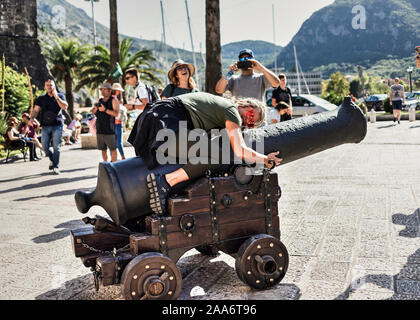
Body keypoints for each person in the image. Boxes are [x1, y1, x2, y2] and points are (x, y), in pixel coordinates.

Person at [128, 92, 282, 215]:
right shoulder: (231, 110)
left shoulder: (219, 111)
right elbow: (240, 150)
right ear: (244, 104)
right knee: (216, 156)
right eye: (249, 113)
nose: (246, 119)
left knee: (207, 152)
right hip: (167, 120)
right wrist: (265, 158)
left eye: (250, 122)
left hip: (158, 117)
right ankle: (165, 181)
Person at [30, 79, 68, 175]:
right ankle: (52, 159)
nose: (49, 87)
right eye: (47, 85)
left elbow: (65, 107)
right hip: (45, 125)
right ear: (45, 87)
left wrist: (56, 97)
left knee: (56, 147)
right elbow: (36, 110)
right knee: (45, 147)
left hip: (57, 125)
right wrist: (31, 119)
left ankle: (56, 167)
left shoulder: (60, 96)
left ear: (54, 86)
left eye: (51, 85)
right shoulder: (41, 98)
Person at [215, 49, 280, 102]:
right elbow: (219, 90)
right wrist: (229, 72)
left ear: (253, 60)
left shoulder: (261, 77)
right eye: (242, 59)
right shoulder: (233, 79)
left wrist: (260, 67)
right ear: (239, 61)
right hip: (240, 115)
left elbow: (276, 83)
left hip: (257, 115)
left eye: (248, 58)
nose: (245, 61)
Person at [91, 83, 119, 162]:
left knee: (113, 149)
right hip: (100, 129)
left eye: (104, 89)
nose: (102, 91)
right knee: (103, 150)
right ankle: (106, 167)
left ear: (110, 91)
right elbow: (92, 112)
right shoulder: (100, 100)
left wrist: (105, 110)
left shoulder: (113, 100)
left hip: (109, 129)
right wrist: (95, 108)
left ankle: (114, 166)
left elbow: (116, 113)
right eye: (101, 89)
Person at [112, 83, 127, 160]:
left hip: (113, 124)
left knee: (115, 143)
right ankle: (122, 157)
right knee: (118, 143)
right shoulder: (115, 100)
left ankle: (116, 158)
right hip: (117, 124)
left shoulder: (112, 99)